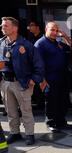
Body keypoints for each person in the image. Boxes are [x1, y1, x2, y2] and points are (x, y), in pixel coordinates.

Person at [0, 16, 44, 146]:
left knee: (26, 111)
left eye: (5, 25)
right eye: (2, 26)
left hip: (22, 83)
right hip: (5, 83)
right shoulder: (1, 43)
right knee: (10, 111)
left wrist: (34, 80)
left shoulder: (26, 45)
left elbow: (39, 65)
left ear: (15, 28)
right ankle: (15, 132)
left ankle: (29, 134)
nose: (3, 28)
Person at [34, 21, 72, 132]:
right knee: (51, 102)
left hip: (61, 77)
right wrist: (42, 80)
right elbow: (36, 63)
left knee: (62, 101)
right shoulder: (40, 44)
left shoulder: (57, 42)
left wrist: (64, 35)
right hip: (49, 79)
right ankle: (50, 123)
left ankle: (61, 122)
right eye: (52, 30)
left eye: (56, 30)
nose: (54, 32)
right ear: (46, 29)